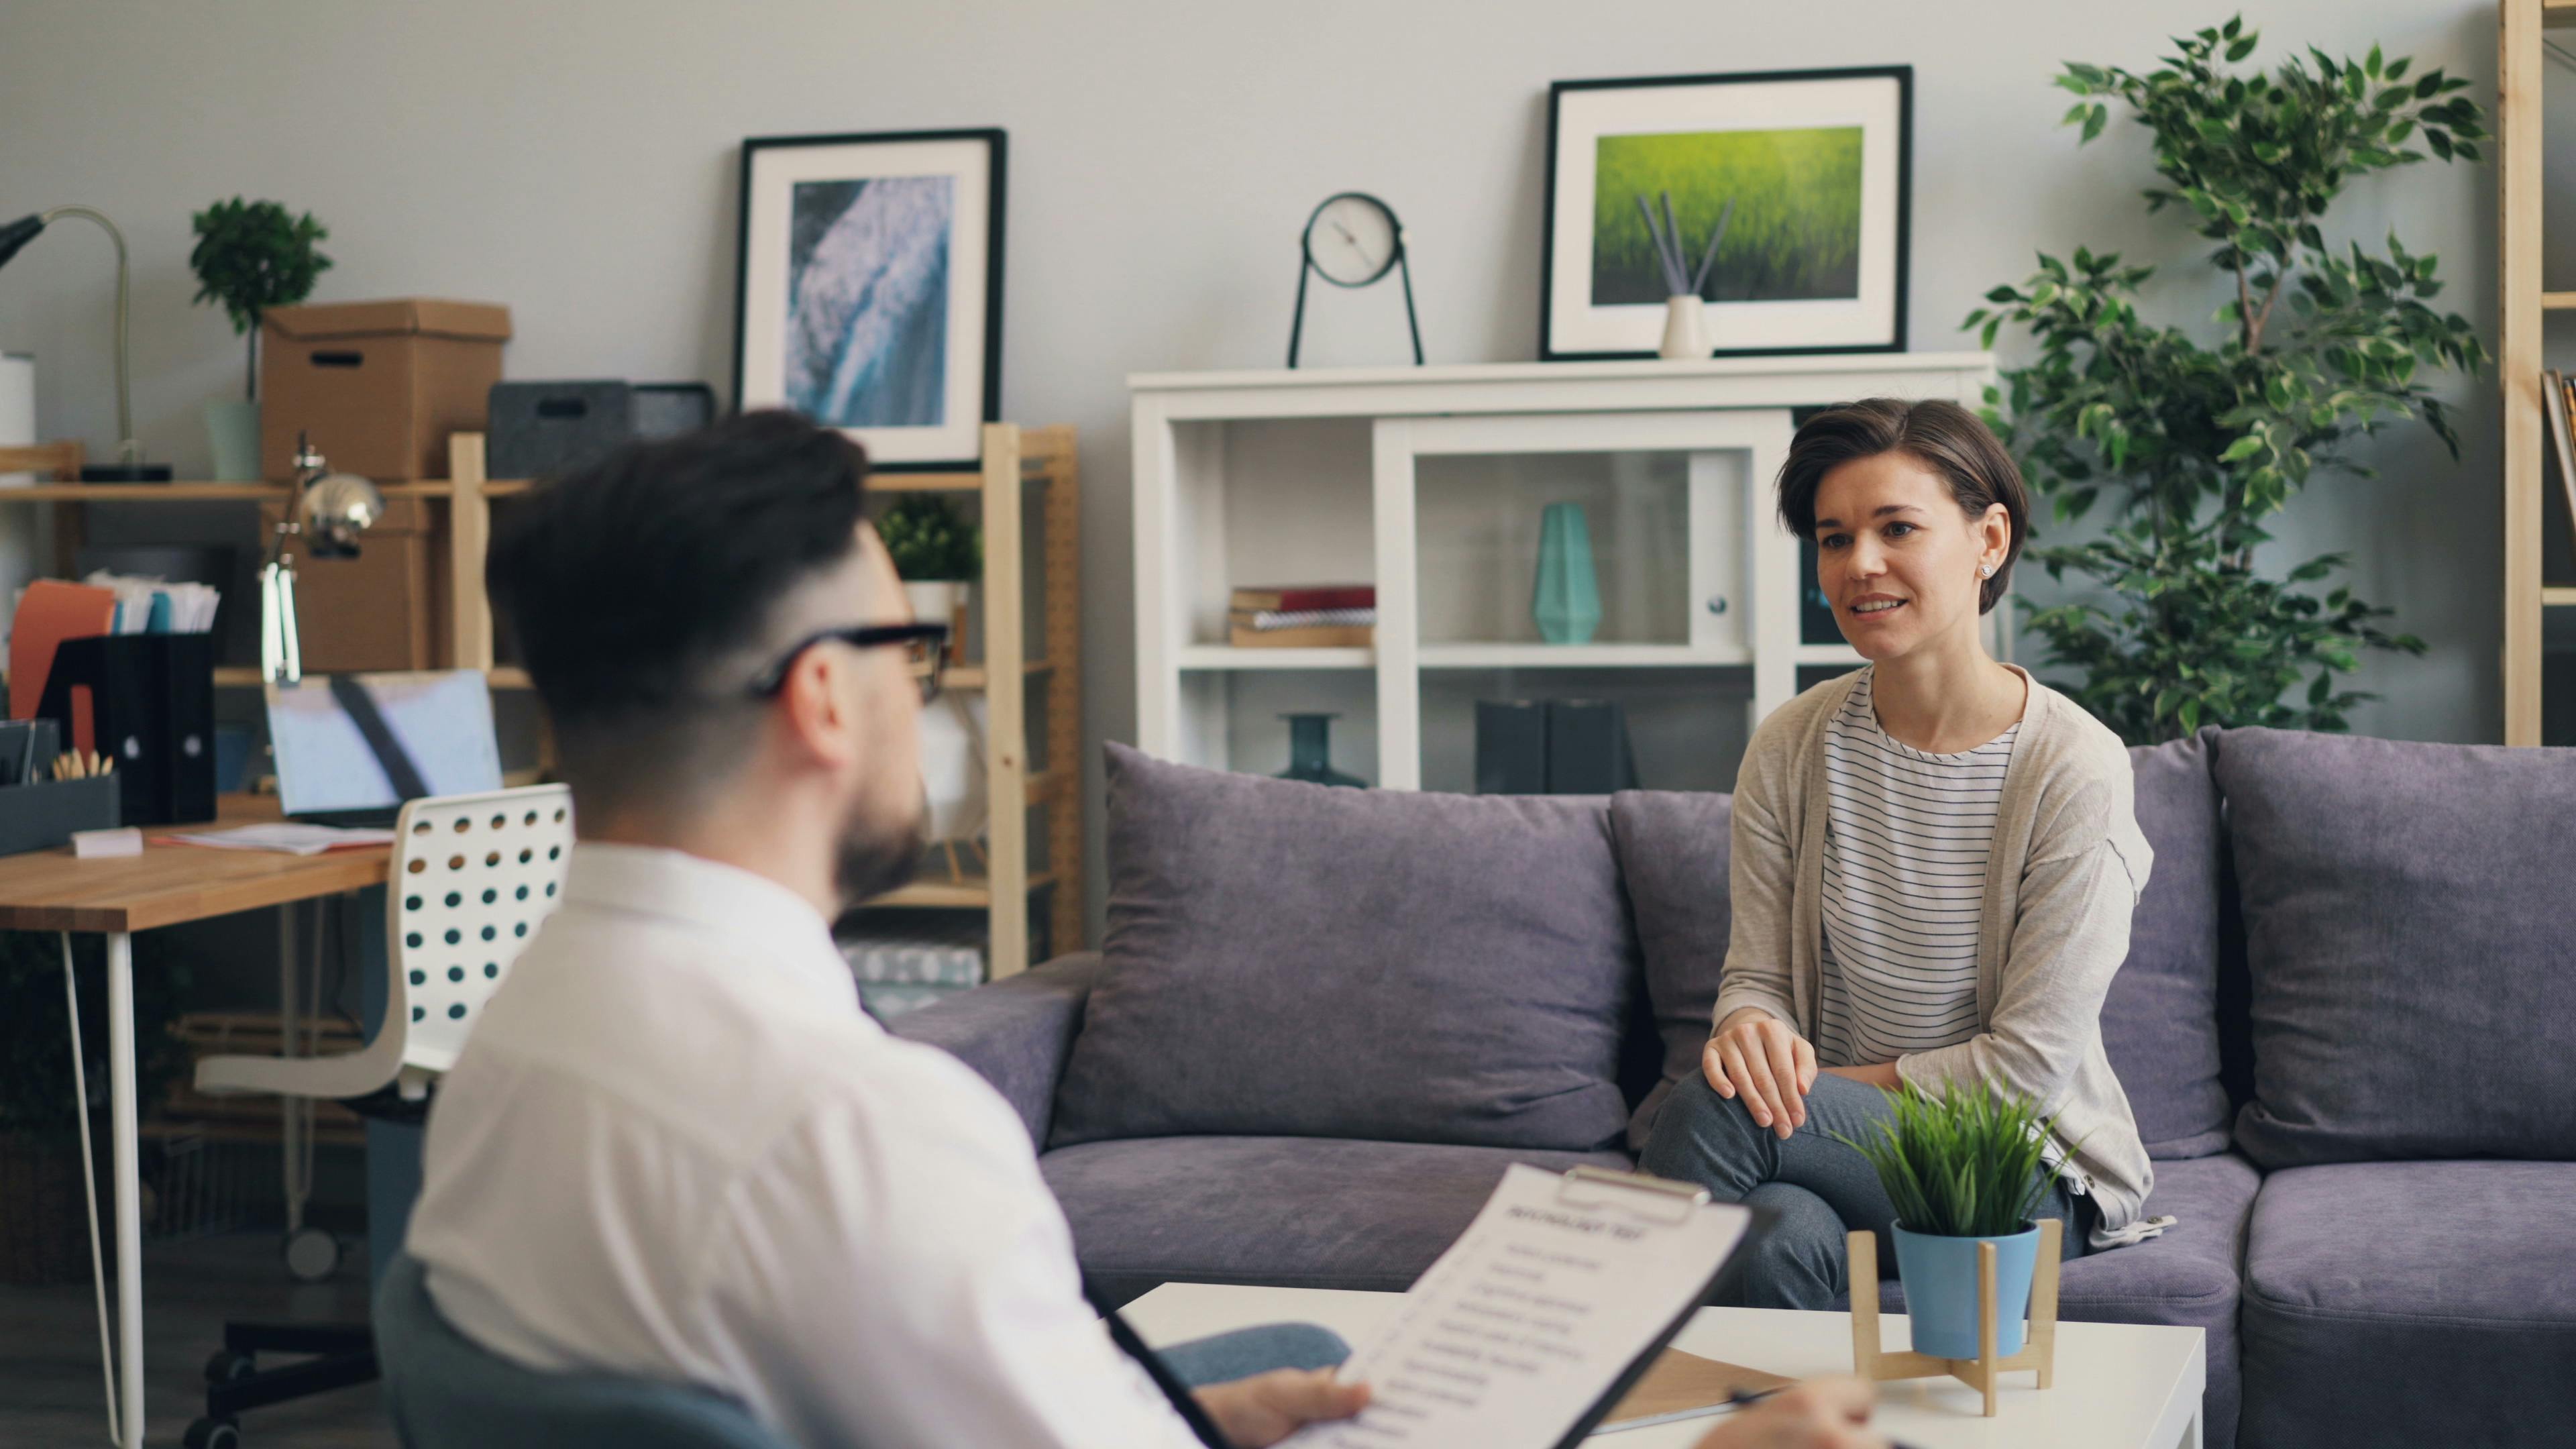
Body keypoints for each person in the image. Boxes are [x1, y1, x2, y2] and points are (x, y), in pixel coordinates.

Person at [404, 411, 1886, 1449]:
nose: (924, 695)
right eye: (910, 651)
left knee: (1298, 1376)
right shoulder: (853, 1127)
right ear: (821, 697)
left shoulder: (515, 1041)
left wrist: (1173, 1421)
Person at [1640, 397, 2168, 1311]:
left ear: (1988, 539)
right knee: (1772, 1241)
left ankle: (1584, 1377)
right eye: (1834, 538)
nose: (1860, 565)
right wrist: (1750, 1037)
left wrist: (1780, 1097)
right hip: (1833, 1154)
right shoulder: (1793, 745)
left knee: (1718, 1111)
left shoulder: (2074, 767)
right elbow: (1757, 976)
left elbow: (2022, 1073)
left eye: (1898, 529)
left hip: (2019, 1172)